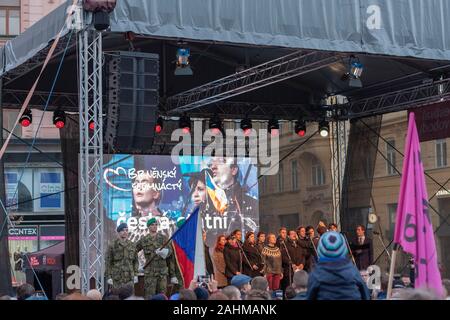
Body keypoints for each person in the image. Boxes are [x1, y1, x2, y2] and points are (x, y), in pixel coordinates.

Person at [306, 231, 369, 300]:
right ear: (344, 249)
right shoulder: (352, 270)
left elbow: (310, 296)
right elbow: (365, 294)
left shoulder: (316, 274)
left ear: (321, 250)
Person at [135, 218, 175, 297]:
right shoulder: (144, 240)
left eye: (156, 225)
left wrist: (164, 252)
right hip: (150, 273)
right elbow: (133, 251)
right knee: (149, 295)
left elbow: (170, 252)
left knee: (162, 295)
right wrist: (137, 266)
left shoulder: (163, 238)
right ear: (148, 227)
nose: (154, 226)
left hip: (162, 272)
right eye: (152, 225)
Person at [105, 223, 138, 290]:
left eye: (126, 230)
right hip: (117, 278)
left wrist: (136, 274)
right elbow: (108, 262)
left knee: (129, 296)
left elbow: (136, 261)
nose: (125, 232)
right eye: (122, 230)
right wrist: (109, 276)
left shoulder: (132, 245)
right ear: (118, 232)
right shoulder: (113, 245)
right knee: (117, 296)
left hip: (129, 277)